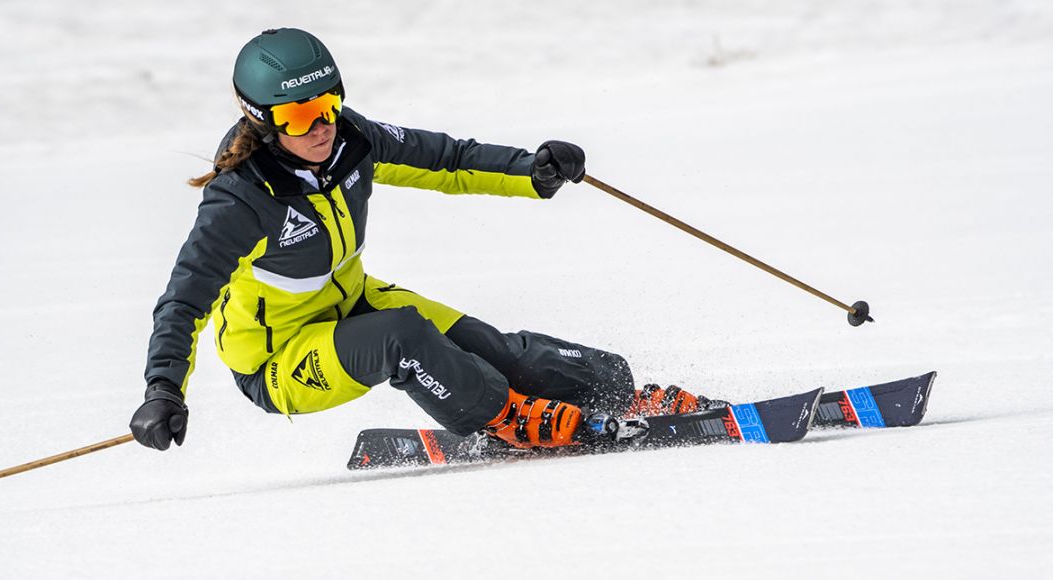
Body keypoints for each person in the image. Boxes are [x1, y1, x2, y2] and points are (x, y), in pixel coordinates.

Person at [130, 28, 703, 453]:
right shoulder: (240, 201)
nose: (322, 125)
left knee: (491, 347)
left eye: (328, 104)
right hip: (280, 360)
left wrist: (534, 170)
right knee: (401, 337)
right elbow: (184, 301)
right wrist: (163, 389)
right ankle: (508, 416)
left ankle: (615, 392)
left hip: (350, 301)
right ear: (264, 121)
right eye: (301, 116)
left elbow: (446, 160)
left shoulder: (350, 141)